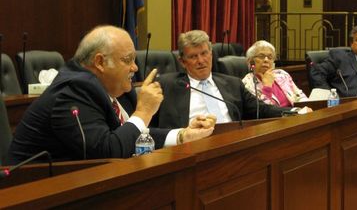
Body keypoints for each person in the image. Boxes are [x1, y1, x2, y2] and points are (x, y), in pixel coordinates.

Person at [8, 25, 214, 164]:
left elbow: (130, 135)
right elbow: (107, 151)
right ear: (100, 62)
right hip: (34, 191)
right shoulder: (73, 91)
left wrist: (182, 134)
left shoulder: (115, 89)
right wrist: (143, 111)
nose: (135, 67)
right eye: (127, 60)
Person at [151, 30, 306, 129]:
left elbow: (261, 109)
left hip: (233, 146)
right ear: (182, 61)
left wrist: (294, 111)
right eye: (193, 56)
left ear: (211, 54)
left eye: (204, 53)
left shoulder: (232, 84)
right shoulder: (167, 86)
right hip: (191, 150)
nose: (201, 60)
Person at [242, 40, 308, 107]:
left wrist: (307, 107)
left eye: (270, 57)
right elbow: (262, 111)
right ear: (251, 61)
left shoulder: (282, 74)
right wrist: (267, 87)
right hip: (276, 116)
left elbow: (299, 96)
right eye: (261, 56)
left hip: (294, 114)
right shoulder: (247, 83)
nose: (266, 60)